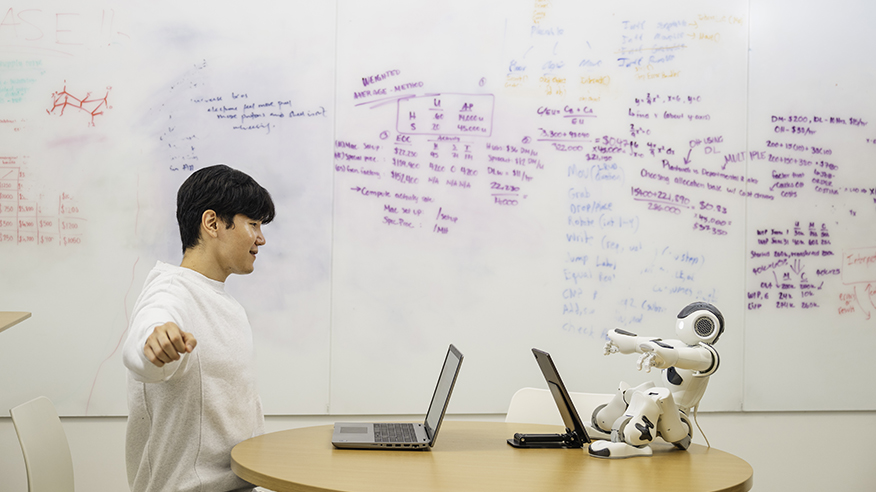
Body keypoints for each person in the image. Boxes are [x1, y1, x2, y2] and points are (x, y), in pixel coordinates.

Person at [122, 164, 275, 491]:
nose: (261, 238)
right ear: (212, 223)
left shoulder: (222, 300)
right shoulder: (170, 291)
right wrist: (153, 345)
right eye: (253, 224)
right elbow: (145, 341)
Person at [587, 301, 724, 458]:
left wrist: (668, 356)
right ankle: (604, 425)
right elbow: (642, 343)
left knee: (656, 395)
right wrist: (624, 342)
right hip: (664, 417)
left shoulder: (707, 355)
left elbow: (685, 358)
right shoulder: (675, 345)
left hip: (678, 423)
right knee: (634, 392)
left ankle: (634, 444)